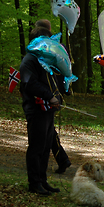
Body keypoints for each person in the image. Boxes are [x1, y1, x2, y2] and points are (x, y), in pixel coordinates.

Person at [20, 26, 63, 195]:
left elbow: (52, 81)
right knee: (36, 147)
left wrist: (58, 95)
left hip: (48, 110)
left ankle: (43, 181)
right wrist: (49, 96)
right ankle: (34, 183)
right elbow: (29, 84)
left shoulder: (45, 60)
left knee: (46, 147)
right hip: (36, 110)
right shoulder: (29, 60)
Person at [34, 19, 72, 174]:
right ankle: (62, 159)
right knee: (49, 128)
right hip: (55, 91)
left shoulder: (44, 47)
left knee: (46, 129)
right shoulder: (59, 46)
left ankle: (58, 160)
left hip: (48, 92)